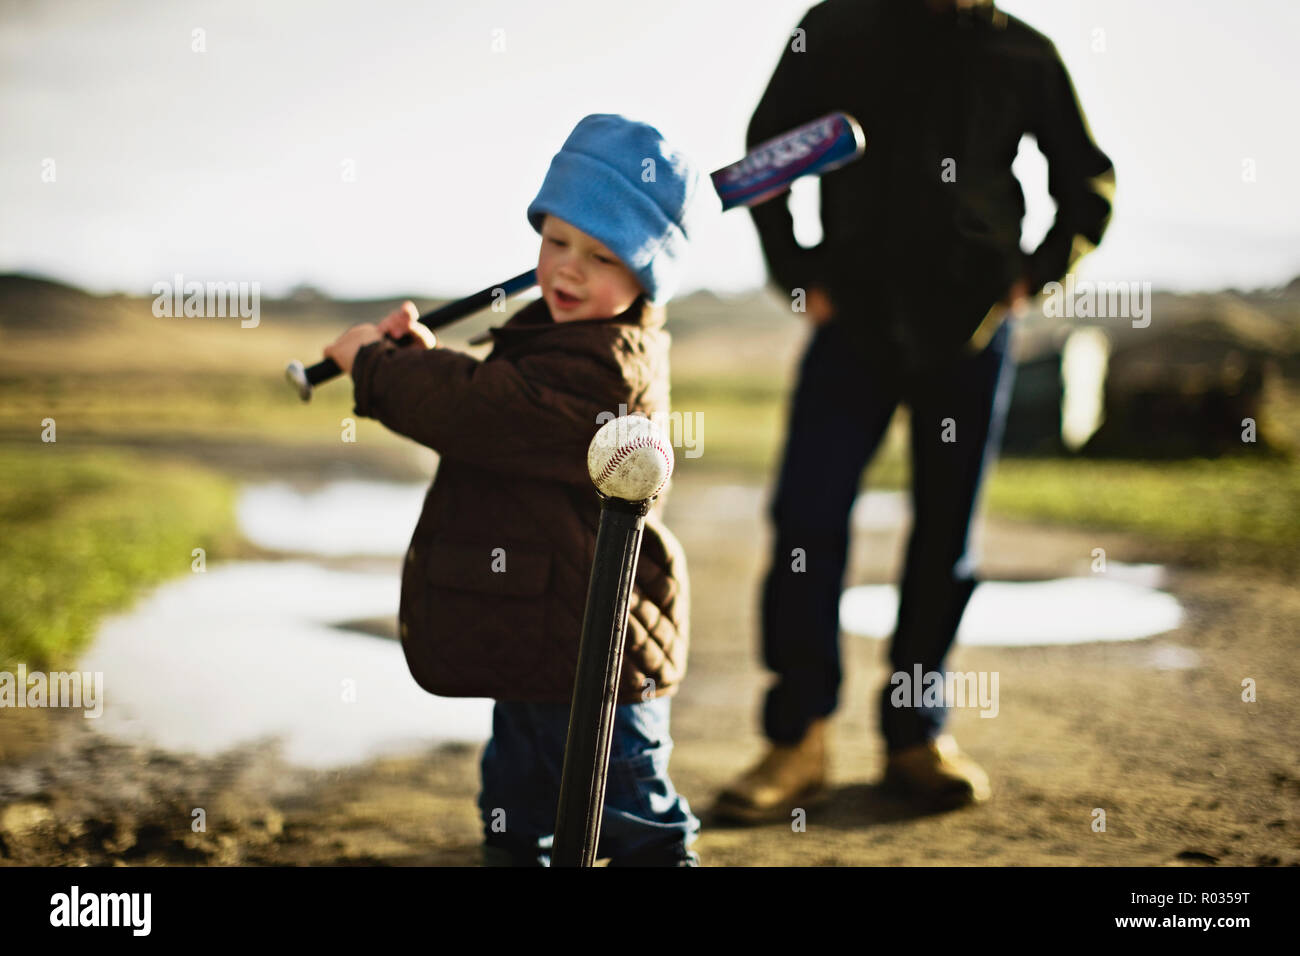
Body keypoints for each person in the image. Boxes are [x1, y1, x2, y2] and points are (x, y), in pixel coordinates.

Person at [713, 0, 1114, 821]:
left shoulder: (1025, 54)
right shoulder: (832, 28)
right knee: (807, 520)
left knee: (945, 539)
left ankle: (914, 737)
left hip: (969, 330)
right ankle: (799, 742)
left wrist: (1030, 278)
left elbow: (1088, 184)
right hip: (851, 320)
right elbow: (766, 155)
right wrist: (795, 270)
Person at [323, 114, 708, 865]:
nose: (567, 269)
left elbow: (482, 410)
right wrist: (424, 357)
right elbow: (494, 398)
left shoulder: (611, 366)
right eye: (556, 240)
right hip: (537, 636)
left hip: (599, 661)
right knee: (513, 812)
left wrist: (377, 366)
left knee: (637, 830)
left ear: (645, 279)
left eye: (601, 256)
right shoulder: (558, 335)